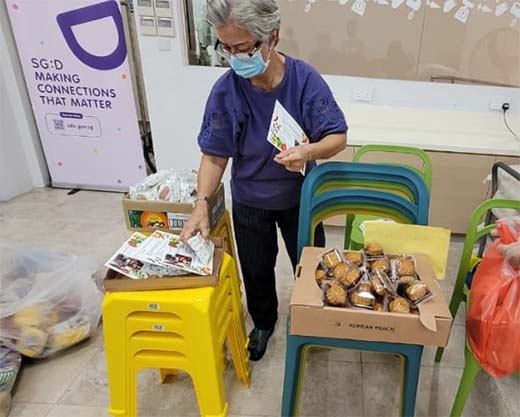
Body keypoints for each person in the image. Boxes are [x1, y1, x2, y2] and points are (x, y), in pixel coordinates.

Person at [180, 0, 348, 361]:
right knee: (256, 270)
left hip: (301, 198)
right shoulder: (227, 90)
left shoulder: (304, 80)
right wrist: (200, 204)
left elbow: (337, 136)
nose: (234, 56)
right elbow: (214, 155)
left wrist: (309, 152)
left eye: (242, 47)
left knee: (312, 266)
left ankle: (313, 323)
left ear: (271, 37)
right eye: (225, 48)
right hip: (250, 198)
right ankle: (264, 324)